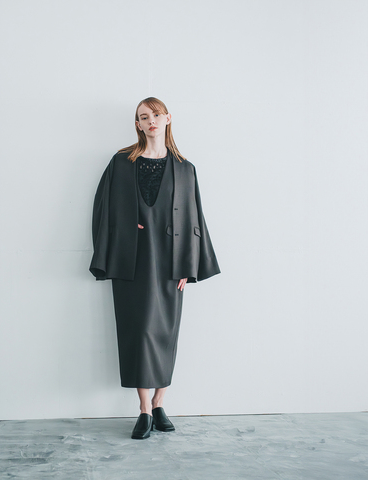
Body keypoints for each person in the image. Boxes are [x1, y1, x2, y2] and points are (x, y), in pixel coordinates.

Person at [90, 97, 220, 439]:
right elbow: (104, 209)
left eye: (156, 115)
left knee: (165, 331)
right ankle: (144, 409)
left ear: (168, 119)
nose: (151, 121)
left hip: (170, 261)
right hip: (131, 259)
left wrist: (188, 265)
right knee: (138, 331)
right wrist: (125, 228)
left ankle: (160, 404)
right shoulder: (121, 163)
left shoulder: (185, 169)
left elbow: (193, 219)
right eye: (144, 117)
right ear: (137, 124)